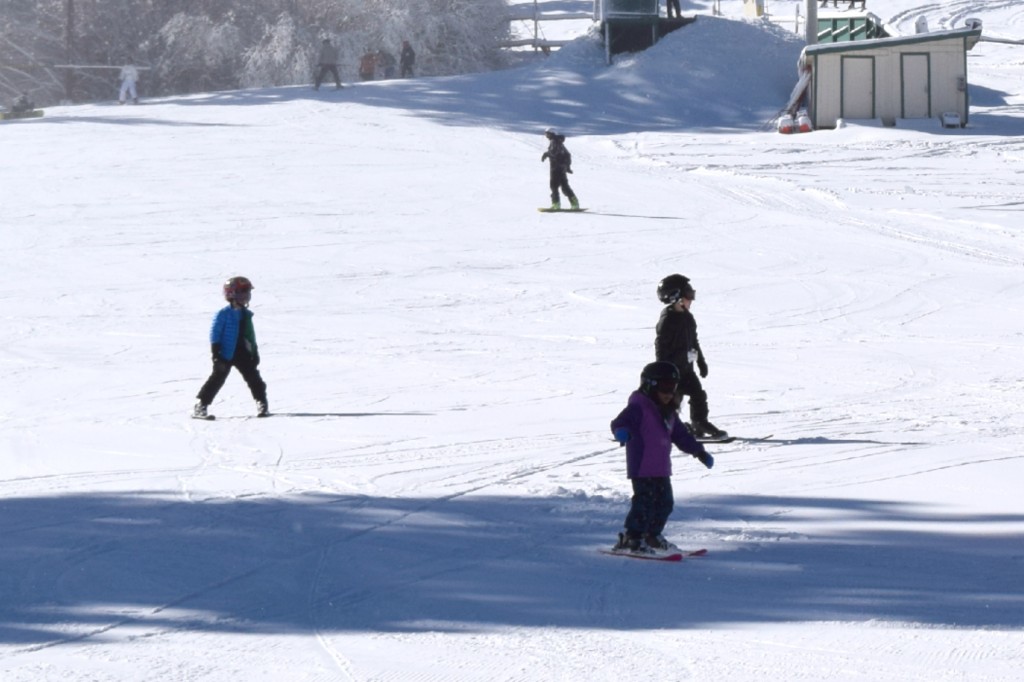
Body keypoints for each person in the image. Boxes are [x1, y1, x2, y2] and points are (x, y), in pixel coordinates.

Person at [610, 361, 714, 553]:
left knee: (665, 503)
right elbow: (620, 421)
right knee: (644, 503)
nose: (669, 393)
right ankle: (632, 538)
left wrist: (698, 451)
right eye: (664, 387)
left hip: (661, 468)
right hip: (642, 467)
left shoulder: (669, 413)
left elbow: (681, 435)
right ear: (650, 385)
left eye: (673, 388)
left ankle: (652, 536)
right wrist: (621, 431)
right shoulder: (638, 407)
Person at [654, 274, 726, 439]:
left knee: (698, 394)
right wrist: (663, 369)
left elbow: (694, 341)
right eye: (688, 295)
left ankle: (698, 423)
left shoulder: (687, 317)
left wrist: (701, 362)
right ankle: (664, 427)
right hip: (672, 371)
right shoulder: (667, 320)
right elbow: (660, 346)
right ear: (676, 297)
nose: (691, 299)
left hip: (686, 369)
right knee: (671, 401)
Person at [192, 276, 269, 419]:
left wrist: (254, 352)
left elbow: (250, 336)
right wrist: (216, 351)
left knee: (253, 377)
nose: (246, 296)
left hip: (242, 353)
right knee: (217, 379)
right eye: (242, 292)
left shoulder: (246, 314)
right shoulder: (223, 314)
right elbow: (215, 333)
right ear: (232, 294)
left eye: (247, 293)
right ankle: (201, 405)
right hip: (225, 353)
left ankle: (261, 402)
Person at [540, 128, 579, 211]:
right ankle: (575, 203)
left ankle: (556, 204)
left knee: (554, 186)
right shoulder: (559, 142)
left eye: (547, 134)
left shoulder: (554, 141)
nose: (546, 135)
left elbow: (554, 152)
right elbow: (567, 154)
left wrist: (546, 153)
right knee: (565, 186)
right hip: (561, 168)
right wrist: (567, 166)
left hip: (556, 168)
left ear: (551, 134)